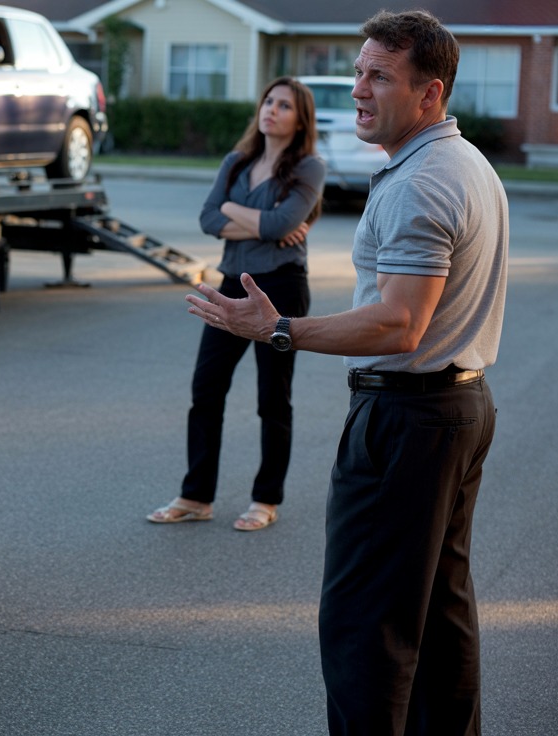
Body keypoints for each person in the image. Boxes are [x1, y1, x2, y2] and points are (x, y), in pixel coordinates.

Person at [185, 10, 507, 734]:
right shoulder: (465, 162)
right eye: (359, 72)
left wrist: (278, 329)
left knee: (368, 633)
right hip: (456, 409)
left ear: (430, 94)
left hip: (410, 420)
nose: (358, 89)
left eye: (378, 77)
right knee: (440, 618)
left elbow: (400, 321)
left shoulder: (426, 180)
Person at [148, 76, 325, 531]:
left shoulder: (308, 168)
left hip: (282, 288)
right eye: (269, 101)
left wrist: (238, 213)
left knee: (273, 397)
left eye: (285, 105)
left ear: (300, 118)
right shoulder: (236, 161)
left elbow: (282, 222)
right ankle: (196, 496)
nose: (273, 110)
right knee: (206, 388)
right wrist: (256, 221)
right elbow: (210, 218)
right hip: (232, 285)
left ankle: (266, 499)